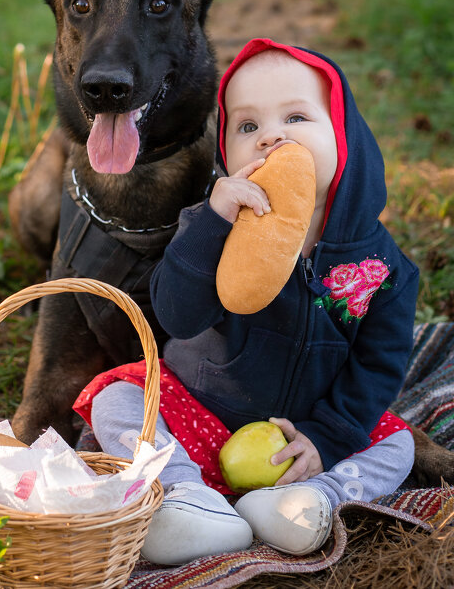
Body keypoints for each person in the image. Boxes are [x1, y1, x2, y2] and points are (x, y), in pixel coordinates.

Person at [74, 38, 419, 564]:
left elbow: (380, 362)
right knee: (116, 399)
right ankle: (187, 497)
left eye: (298, 117)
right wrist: (211, 225)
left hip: (296, 441)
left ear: (343, 137)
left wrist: (326, 438)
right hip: (200, 415)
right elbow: (176, 316)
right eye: (248, 126)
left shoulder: (379, 263)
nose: (271, 137)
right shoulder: (213, 225)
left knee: (398, 444)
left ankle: (309, 501)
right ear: (225, 151)